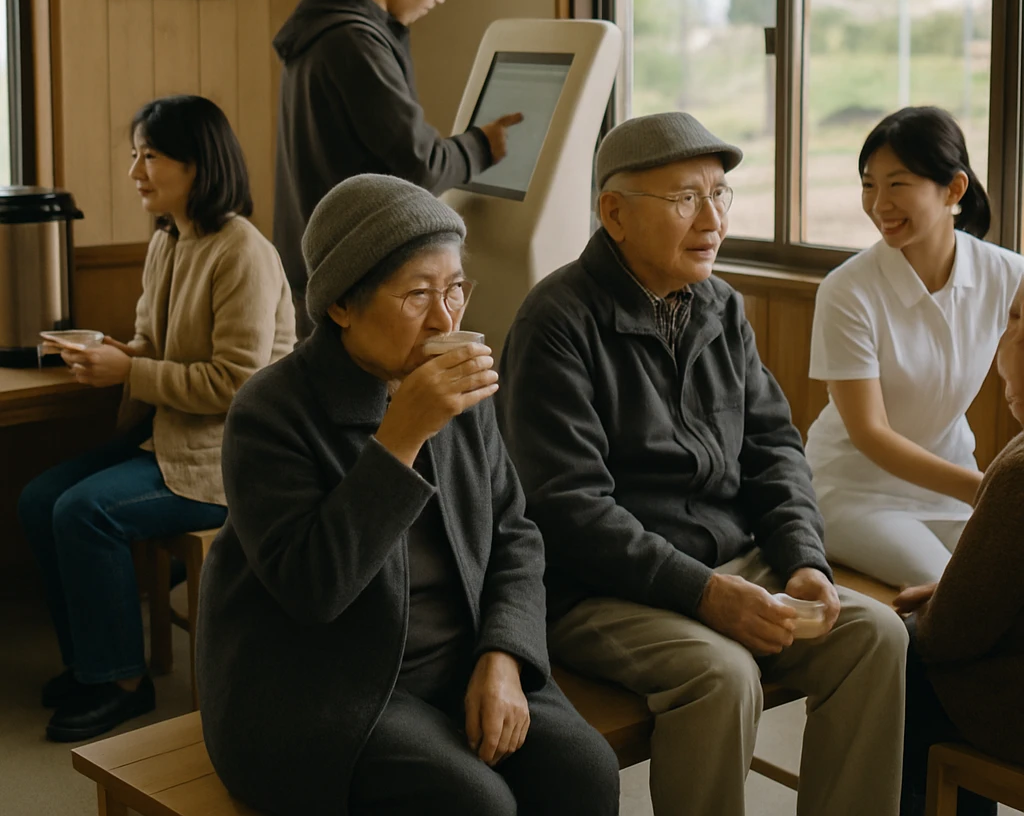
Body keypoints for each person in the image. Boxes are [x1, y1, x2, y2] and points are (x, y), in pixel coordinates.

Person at [498, 111, 909, 816]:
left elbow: (774, 449)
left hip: (731, 563)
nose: (713, 220)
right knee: (722, 674)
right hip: (598, 589)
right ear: (614, 214)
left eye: (719, 194)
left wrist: (803, 559)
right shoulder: (556, 321)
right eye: (686, 198)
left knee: (875, 636)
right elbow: (568, 509)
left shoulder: (720, 306)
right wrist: (705, 593)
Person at [197, 175, 619, 816]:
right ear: (342, 306)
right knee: (477, 803)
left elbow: (515, 535)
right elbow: (312, 589)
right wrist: (402, 436)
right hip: (324, 683)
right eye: (417, 294)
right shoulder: (271, 411)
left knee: (585, 771)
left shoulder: (457, 386)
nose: (446, 318)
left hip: (461, 655)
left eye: (454, 289)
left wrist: (504, 653)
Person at [17, 95, 295, 743]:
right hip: (168, 436)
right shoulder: (169, 239)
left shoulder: (242, 252)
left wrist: (131, 372)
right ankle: (91, 663)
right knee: (38, 499)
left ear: (198, 164)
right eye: (134, 155)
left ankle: (122, 682)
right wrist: (114, 355)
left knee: (83, 512)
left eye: (150, 156)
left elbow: (237, 385)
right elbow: (151, 343)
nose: (135, 171)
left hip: (227, 459)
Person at [273, 0, 523, 334]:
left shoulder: (324, 29)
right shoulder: (354, 41)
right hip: (354, 278)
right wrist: (482, 145)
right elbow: (420, 163)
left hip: (322, 266)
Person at [804, 107, 1024, 587]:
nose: (879, 204)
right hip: (853, 490)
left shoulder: (1007, 274)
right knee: (954, 587)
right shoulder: (847, 290)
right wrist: (987, 489)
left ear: (954, 190)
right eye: (869, 185)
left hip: (951, 482)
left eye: (897, 184)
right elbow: (870, 433)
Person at [895, 277, 1024, 816]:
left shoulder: (1019, 471)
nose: (1006, 342)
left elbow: (948, 635)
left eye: (1017, 322)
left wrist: (938, 609)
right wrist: (950, 589)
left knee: (896, 657)